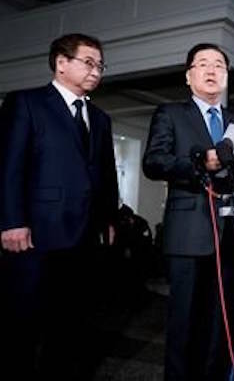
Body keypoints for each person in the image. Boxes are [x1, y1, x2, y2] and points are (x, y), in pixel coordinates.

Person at [0, 33, 119, 380]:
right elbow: (9, 167)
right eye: (89, 62)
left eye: (100, 65)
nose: (96, 71)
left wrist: (108, 219)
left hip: (84, 237)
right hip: (35, 234)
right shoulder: (26, 103)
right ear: (61, 63)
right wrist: (11, 221)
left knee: (70, 325)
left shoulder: (100, 118)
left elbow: (105, 174)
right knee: (21, 325)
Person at [142, 43, 234, 381]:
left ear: (226, 76)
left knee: (217, 323)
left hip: (229, 236)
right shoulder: (170, 113)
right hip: (187, 231)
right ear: (188, 75)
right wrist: (200, 161)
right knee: (183, 322)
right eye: (203, 64)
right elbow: (154, 161)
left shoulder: (233, 123)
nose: (212, 71)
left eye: (219, 65)